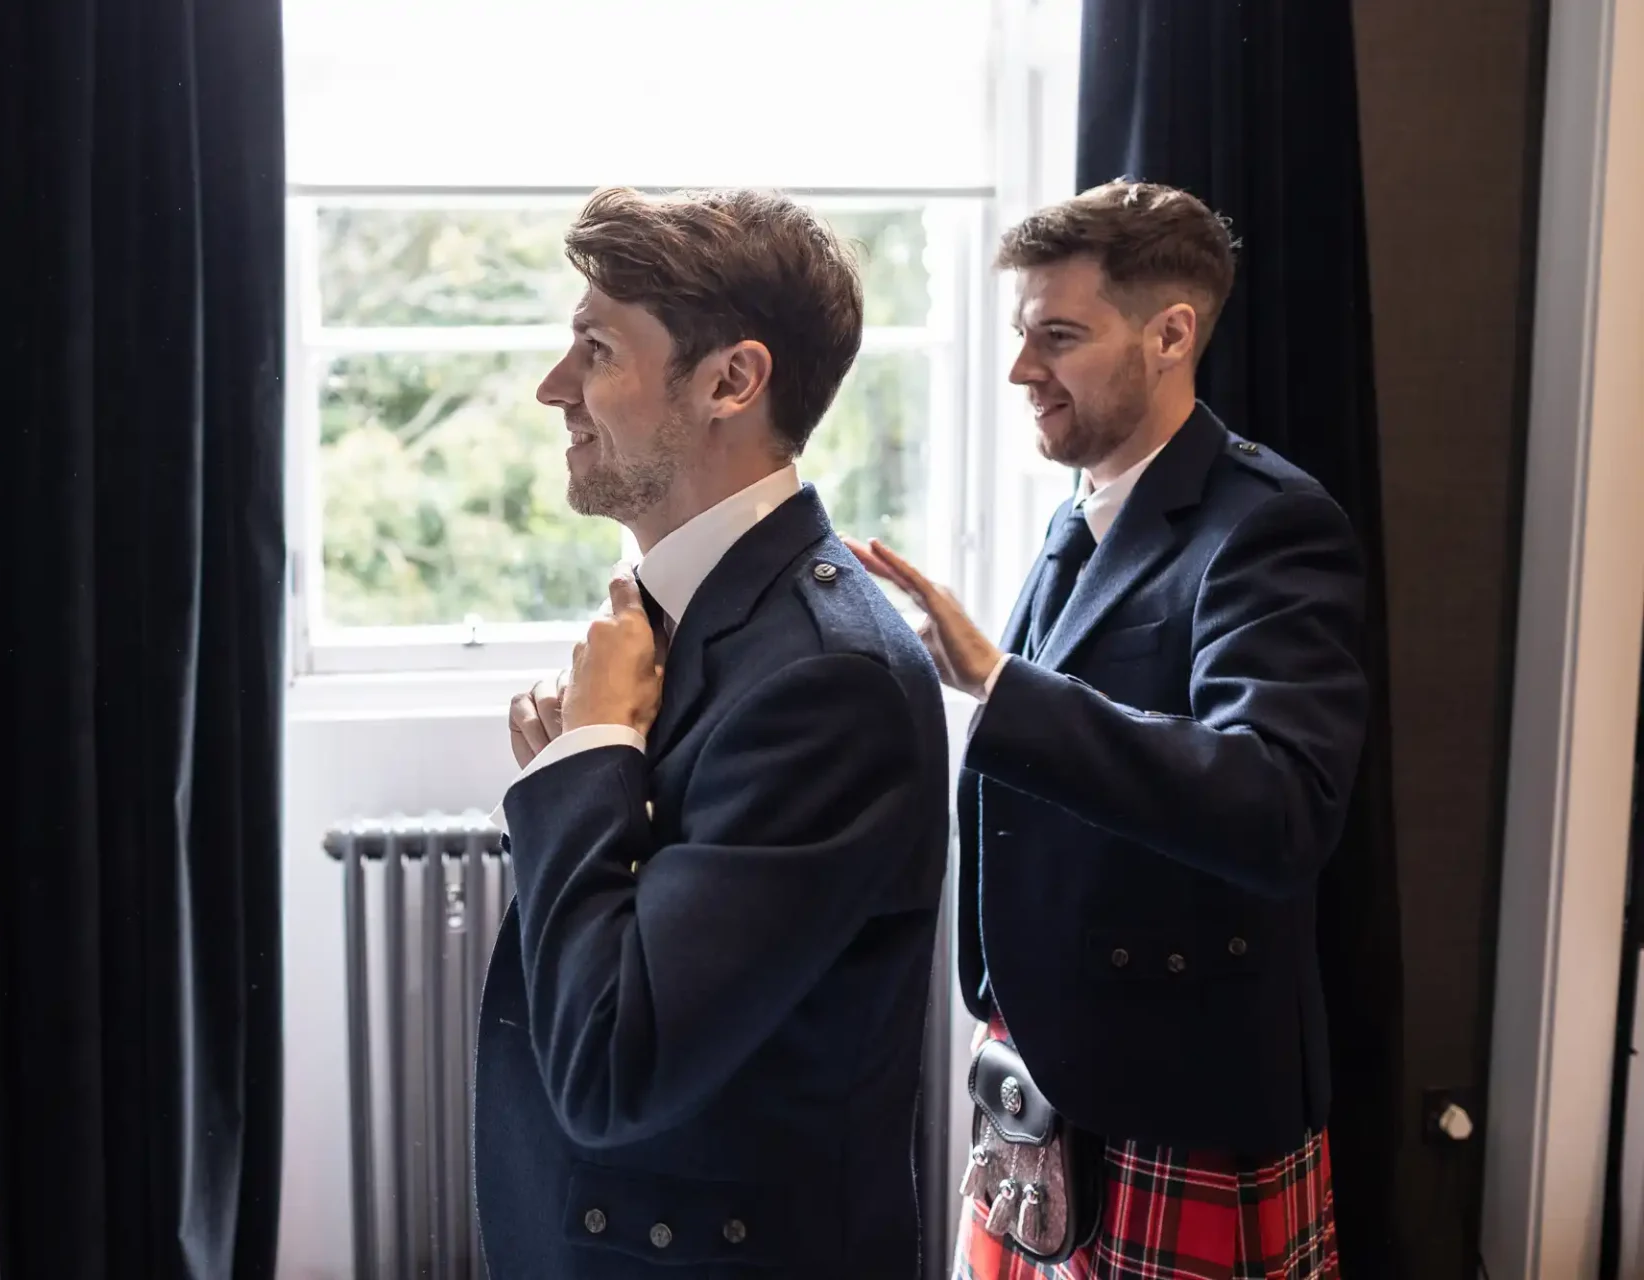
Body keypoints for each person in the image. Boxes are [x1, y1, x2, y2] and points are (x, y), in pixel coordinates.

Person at [849, 181, 1366, 1280]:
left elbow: (1278, 800)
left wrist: (999, 686)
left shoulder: (1268, 525)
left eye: (1059, 336)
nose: (1020, 369)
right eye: (1020, 334)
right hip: (1045, 1077)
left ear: (1170, 332)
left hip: (1178, 1087)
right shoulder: (1084, 506)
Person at [474, 186, 950, 1279]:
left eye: (595, 348)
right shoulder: (687, 615)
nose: (555, 388)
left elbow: (614, 1066)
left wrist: (586, 759)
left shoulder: (830, 677)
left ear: (732, 379)